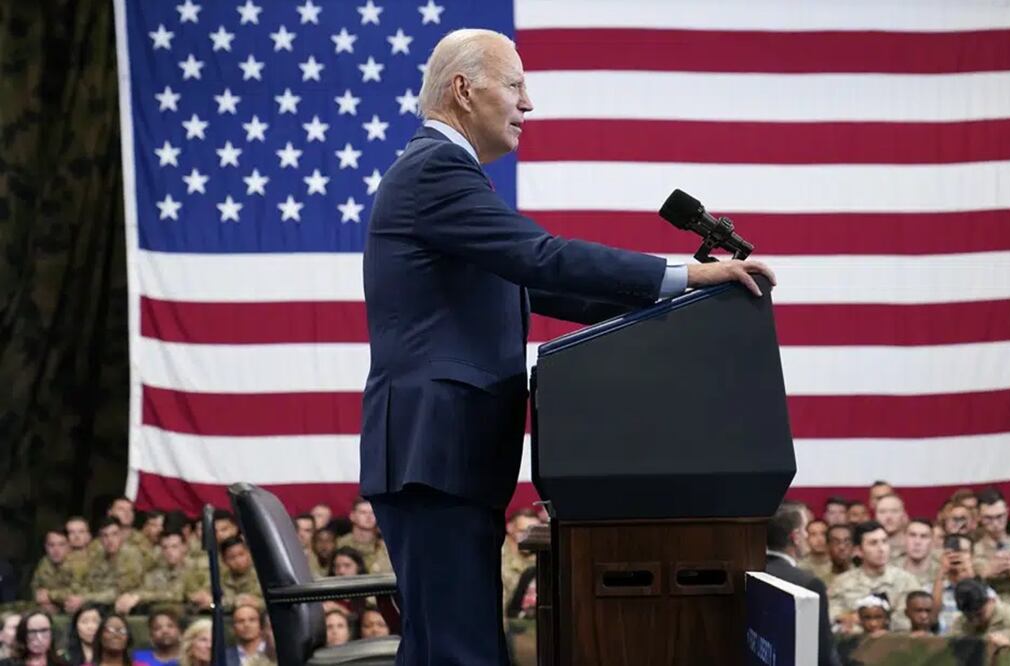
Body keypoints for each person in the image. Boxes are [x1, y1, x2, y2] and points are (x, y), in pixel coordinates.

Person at [359, 27, 777, 666]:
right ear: (465, 90)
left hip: (443, 455)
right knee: (458, 650)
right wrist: (686, 274)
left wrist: (677, 298)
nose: (529, 105)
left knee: (442, 647)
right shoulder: (435, 171)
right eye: (517, 86)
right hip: (434, 451)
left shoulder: (443, 177)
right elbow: (543, 258)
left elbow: (538, 289)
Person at [764, 503, 839, 666]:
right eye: (806, 529)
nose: (807, 536)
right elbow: (823, 653)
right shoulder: (809, 584)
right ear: (796, 537)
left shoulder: (749, 573)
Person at [828, 521, 921, 633]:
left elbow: (912, 621)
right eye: (873, 543)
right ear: (859, 551)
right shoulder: (841, 584)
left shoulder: (907, 581)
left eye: (884, 542)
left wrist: (861, 619)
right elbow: (832, 618)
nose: (881, 549)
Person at [949, 578, 1010, 660]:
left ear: (991, 601)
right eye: (969, 617)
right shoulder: (960, 625)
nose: (975, 621)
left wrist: (1009, 647)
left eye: (980, 614)